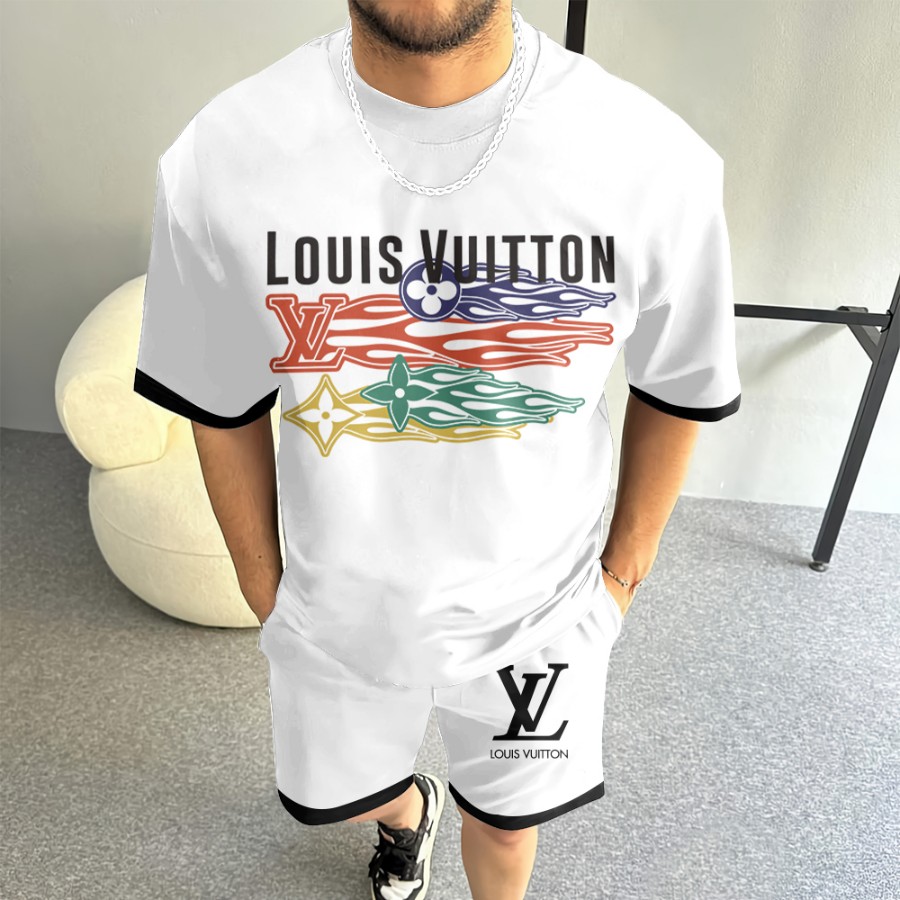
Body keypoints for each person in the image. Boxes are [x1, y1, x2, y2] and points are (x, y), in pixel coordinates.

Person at [133, 1, 742, 897]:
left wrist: (619, 581)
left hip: (541, 613)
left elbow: (681, 381)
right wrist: (266, 593)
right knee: (342, 798)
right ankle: (406, 814)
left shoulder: (653, 159)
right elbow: (215, 399)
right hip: (334, 611)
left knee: (504, 830)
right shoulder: (220, 155)